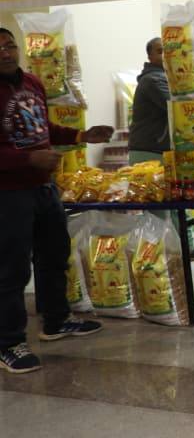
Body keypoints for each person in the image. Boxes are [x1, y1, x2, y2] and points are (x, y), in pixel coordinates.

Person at [0, 27, 113, 374]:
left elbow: (41, 128)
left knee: (53, 255)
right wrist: (27, 159)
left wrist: (81, 135)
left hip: (43, 187)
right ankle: (8, 343)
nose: (6, 52)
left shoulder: (32, 82)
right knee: (11, 269)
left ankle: (56, 321)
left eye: (10, 45)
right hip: (8, 193)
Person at [128, 37, 194, 261]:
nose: (166, 55)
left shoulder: (167, 78)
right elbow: (178, 106)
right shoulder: (153, 80)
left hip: (164, 151)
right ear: (150, 56)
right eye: (160, 51)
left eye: (169, 51)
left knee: (179, 204)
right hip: (149, 152)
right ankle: (156, 258)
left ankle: (185, 250)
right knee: (157, 210)